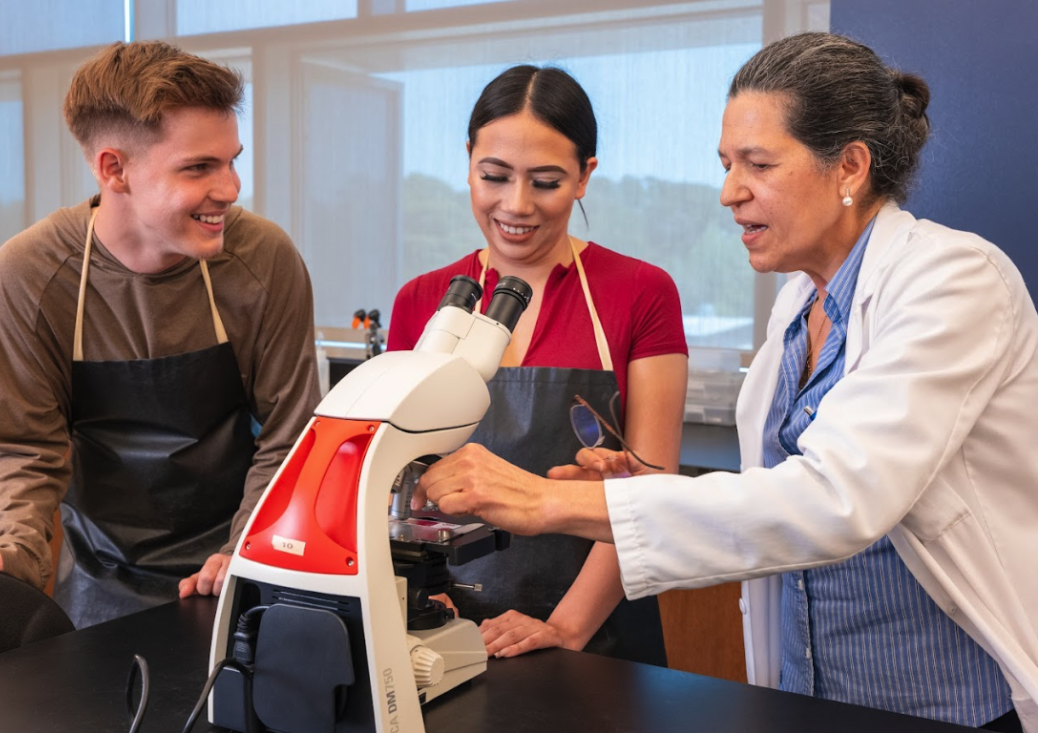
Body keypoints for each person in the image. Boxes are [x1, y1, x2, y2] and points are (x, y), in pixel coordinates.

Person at [416, 33, 1038, 733]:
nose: (728, 192)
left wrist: (544, 501)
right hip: (808, 694)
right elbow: (770, 502)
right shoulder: (798, 310)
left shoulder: (954, 281)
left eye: (758, 164)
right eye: (726, 164)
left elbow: (836, 500)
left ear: (851, 167)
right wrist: (634, 490)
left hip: (950, 705)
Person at [0, 41, 320, 628]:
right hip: (100, 575)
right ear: (114, 168)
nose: (230, 188)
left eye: (231, 160)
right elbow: (26, 446)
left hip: (239, 565)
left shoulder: (263, 259)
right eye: (199, 167)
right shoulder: (31, 274)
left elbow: (290, 434)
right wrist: (16, 551)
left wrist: (243, 548)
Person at [388, 65, 688, 665]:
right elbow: (396, 484)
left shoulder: (641, 292)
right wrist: (418, 598)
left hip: (594, 634)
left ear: (585, 177)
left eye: (546, 182)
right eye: (493, 176)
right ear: (468, 160)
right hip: (444, 629)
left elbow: (650, 493)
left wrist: (567, 628)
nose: (516, 206)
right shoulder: (422, 301)